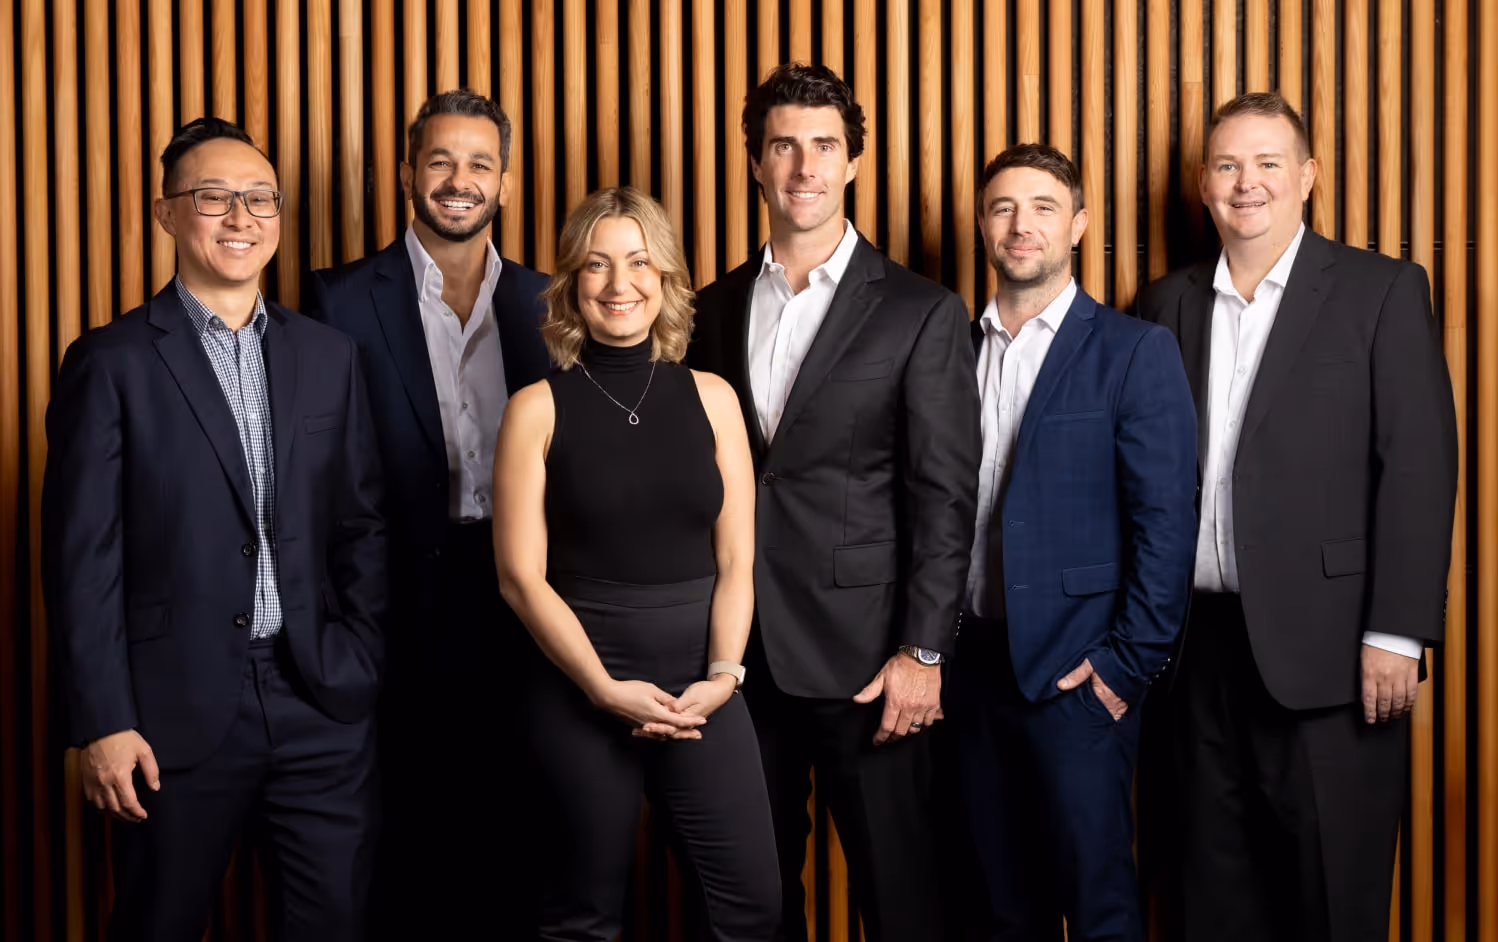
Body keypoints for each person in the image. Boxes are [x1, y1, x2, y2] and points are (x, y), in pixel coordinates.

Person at [42, 117, 386, 941]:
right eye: (213, 197)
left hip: (319, 697)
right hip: (169, 714)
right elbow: (82, 558)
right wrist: (103, 720)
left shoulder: (328, 355)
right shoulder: (112, 361)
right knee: (159, 923)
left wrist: (359, 655)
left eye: (260, 198)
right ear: (167, 214)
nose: (241, 217)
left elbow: (361, 523)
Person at [1136, 91, 1458, 942]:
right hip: (1190, 654)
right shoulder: (1164, 304)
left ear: (1307, 177)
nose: (1248, 182)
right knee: (1208, 899)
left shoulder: (1379, 290)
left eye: (1268, 163)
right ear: (1204, 183)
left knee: (1331, 897)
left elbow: (1419, 465)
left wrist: (1397, 632)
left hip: (1333, 651)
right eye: (1228, 165)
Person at [686, 63, 981, 941]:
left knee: (902, 900)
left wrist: (923, 651)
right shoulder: (709, 309)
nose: (804, 166)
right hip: (738, 658)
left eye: (824, 146)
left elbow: (945, 496)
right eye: (784, 146)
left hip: (871, 662)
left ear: (852, 161)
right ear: (755, 161)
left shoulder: (920, 310)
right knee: (754, 902)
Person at [493, 185, 780, 941]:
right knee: (580, 921)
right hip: (577, 686)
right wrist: (602, 688)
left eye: (639, 262)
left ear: (666, 277)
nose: (619, 283)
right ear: (572, 283)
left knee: (752, 910)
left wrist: (724, 676)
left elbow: (736, 559)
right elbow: (520, 578)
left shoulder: (714, 398)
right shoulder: (535, 408)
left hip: (703, 686)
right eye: (597, 264)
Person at [302, 89, 551, 937]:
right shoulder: (337, 299)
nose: (458, 179)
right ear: (407, 173)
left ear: (505, 183)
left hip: (524, 603)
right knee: (403, 854)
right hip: (393, 608)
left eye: (480, 163)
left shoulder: (550, 303)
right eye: (439, 160)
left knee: (520, 842)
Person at [950, 144, 1197, 942]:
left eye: (1044, 208)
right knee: (996, 910)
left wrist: (1125, 666)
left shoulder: (1133, 350)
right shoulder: (951, 348)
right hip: (969, 672)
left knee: (1098, 908)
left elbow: (1167, 522)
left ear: (1079, 225)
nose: (1021, 225)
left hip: (1078, 674)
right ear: (982, 226)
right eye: (1003, 208)